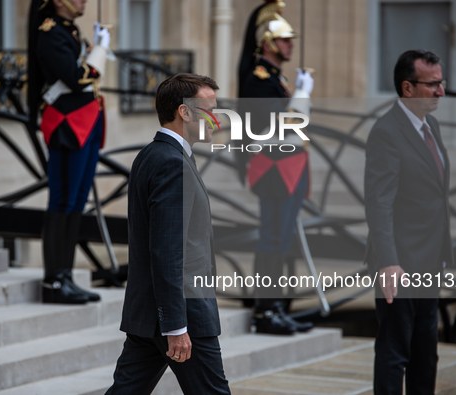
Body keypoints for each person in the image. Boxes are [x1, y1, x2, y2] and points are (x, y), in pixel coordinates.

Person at [105, 73, 231, 394]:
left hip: (150, 314)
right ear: (184, 112)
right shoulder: (170, 163)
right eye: (208, 109)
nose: (215, 118)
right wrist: (175, 325)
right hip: (180, 315)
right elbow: (167, 249)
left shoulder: (153, 154)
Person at [364, 50, 452, 394]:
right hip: (399, 265)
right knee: (394, 353)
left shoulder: (432, 126)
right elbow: (379, 203)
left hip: (430, 262)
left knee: (425, 355)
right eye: (433, 84)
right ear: (408, 88)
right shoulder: (386, 132)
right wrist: (388, 262)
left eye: (441, 82)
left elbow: (435, 198)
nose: (441, 91)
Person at [27, 0, 111, 304]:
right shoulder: (50, 33)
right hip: (67, 125)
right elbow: (76, 78)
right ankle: (53, 280)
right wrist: (99, 50)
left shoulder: (70, 31)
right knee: (62, 200)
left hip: (85, 123)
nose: (83, 1)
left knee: (76, 202)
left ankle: (66, 275)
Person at [238, 2, 314, 335]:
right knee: (272, 238)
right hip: (273, 168)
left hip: (289, 166)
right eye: (284, 40)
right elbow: (281, 125)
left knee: (282, 239)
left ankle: (277, 305)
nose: (290, 45)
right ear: (268, 43)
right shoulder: (259, 78)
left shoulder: (273, 77)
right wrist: (302, 96)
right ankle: (265, 310)